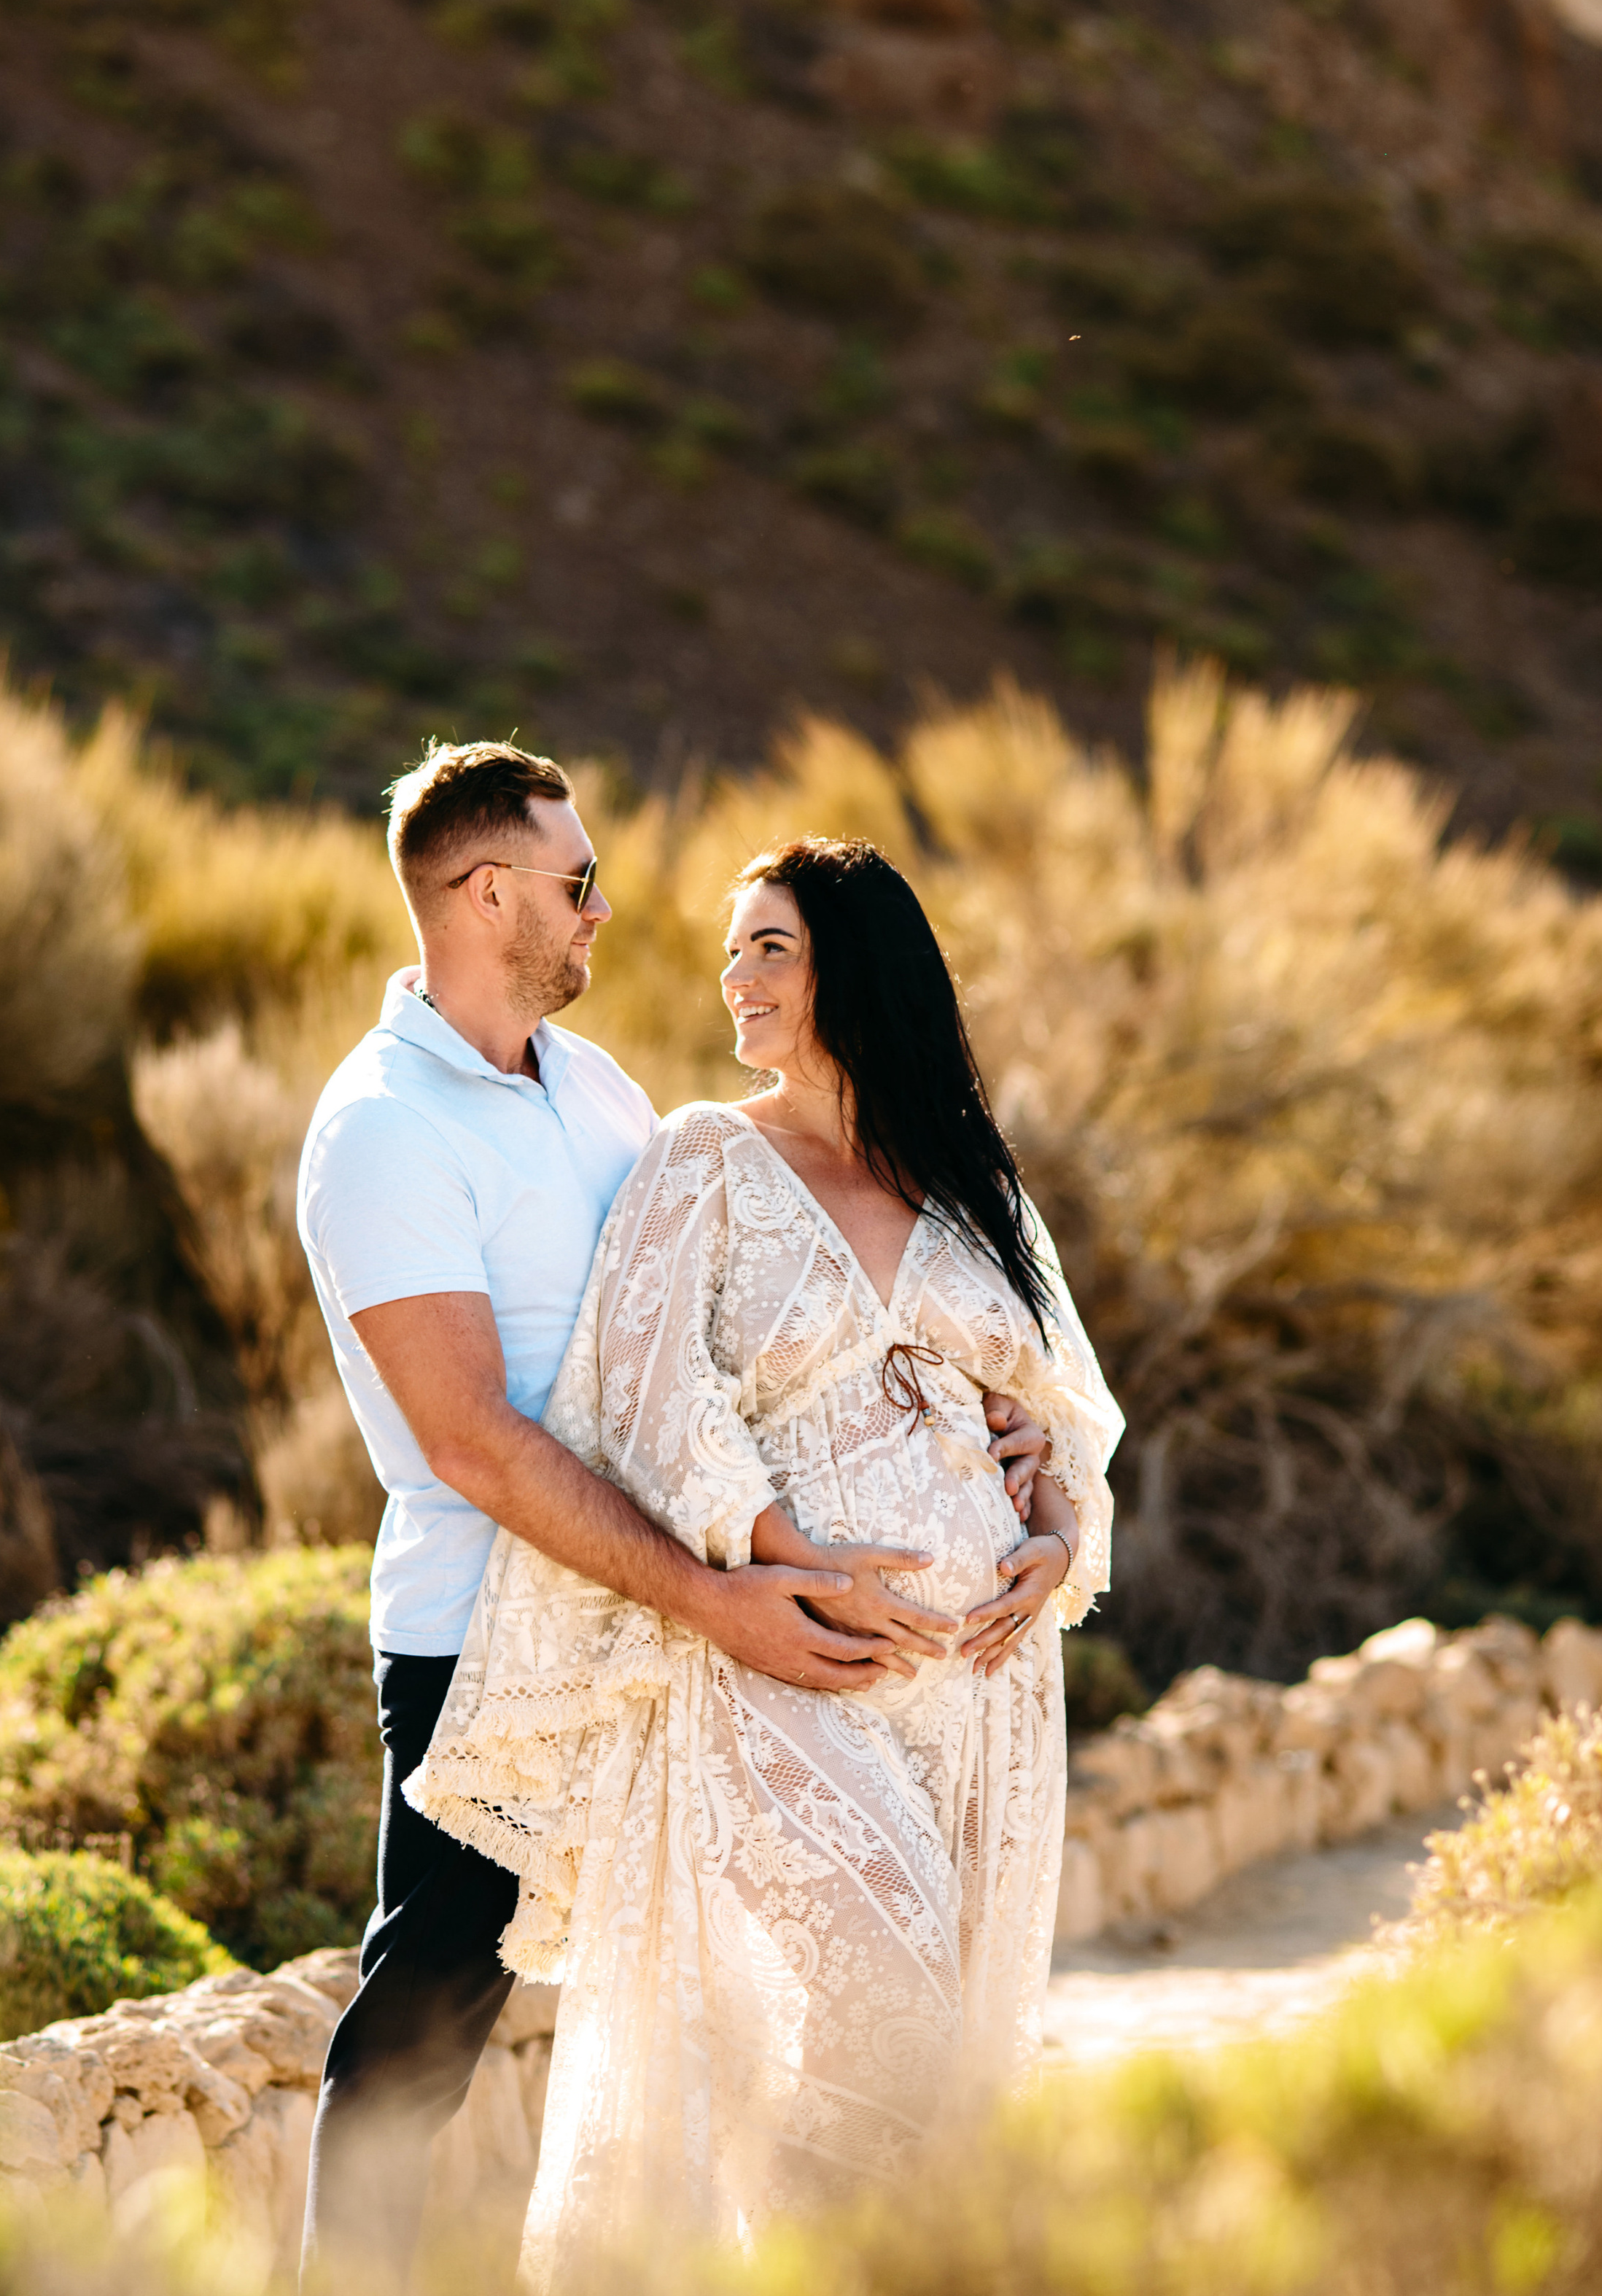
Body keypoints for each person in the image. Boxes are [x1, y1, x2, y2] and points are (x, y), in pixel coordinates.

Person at [295, 750, 1050, 2289]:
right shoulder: (380, 1128)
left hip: (683, 1642)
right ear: (486, 894)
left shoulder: (594, 1090)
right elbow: (476, 1445)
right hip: (491, 1633)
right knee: (425, 2020)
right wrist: (716, 1595)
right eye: (577, 883)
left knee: (749, 2018)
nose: (603, 910)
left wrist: (978, 1421)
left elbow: (722, 1327)